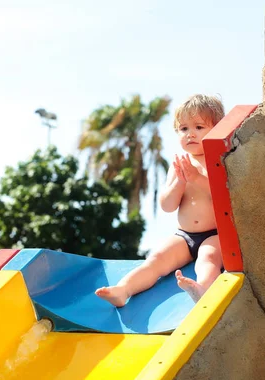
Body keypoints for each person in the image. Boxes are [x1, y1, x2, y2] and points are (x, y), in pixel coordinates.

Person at [95, 94, 225, 307]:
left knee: (208, 258)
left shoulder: (219, 160)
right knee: (156, 259)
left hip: (216, 234)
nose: (190, 134)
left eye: (199, 127)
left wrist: (196, 178)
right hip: (184, 236)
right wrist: (180, 183)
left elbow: (224, 195)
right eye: (183, 129)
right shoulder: (179, 164)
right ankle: (123, 290)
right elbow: (167, 205)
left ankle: (202, 287)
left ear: (217, 129)